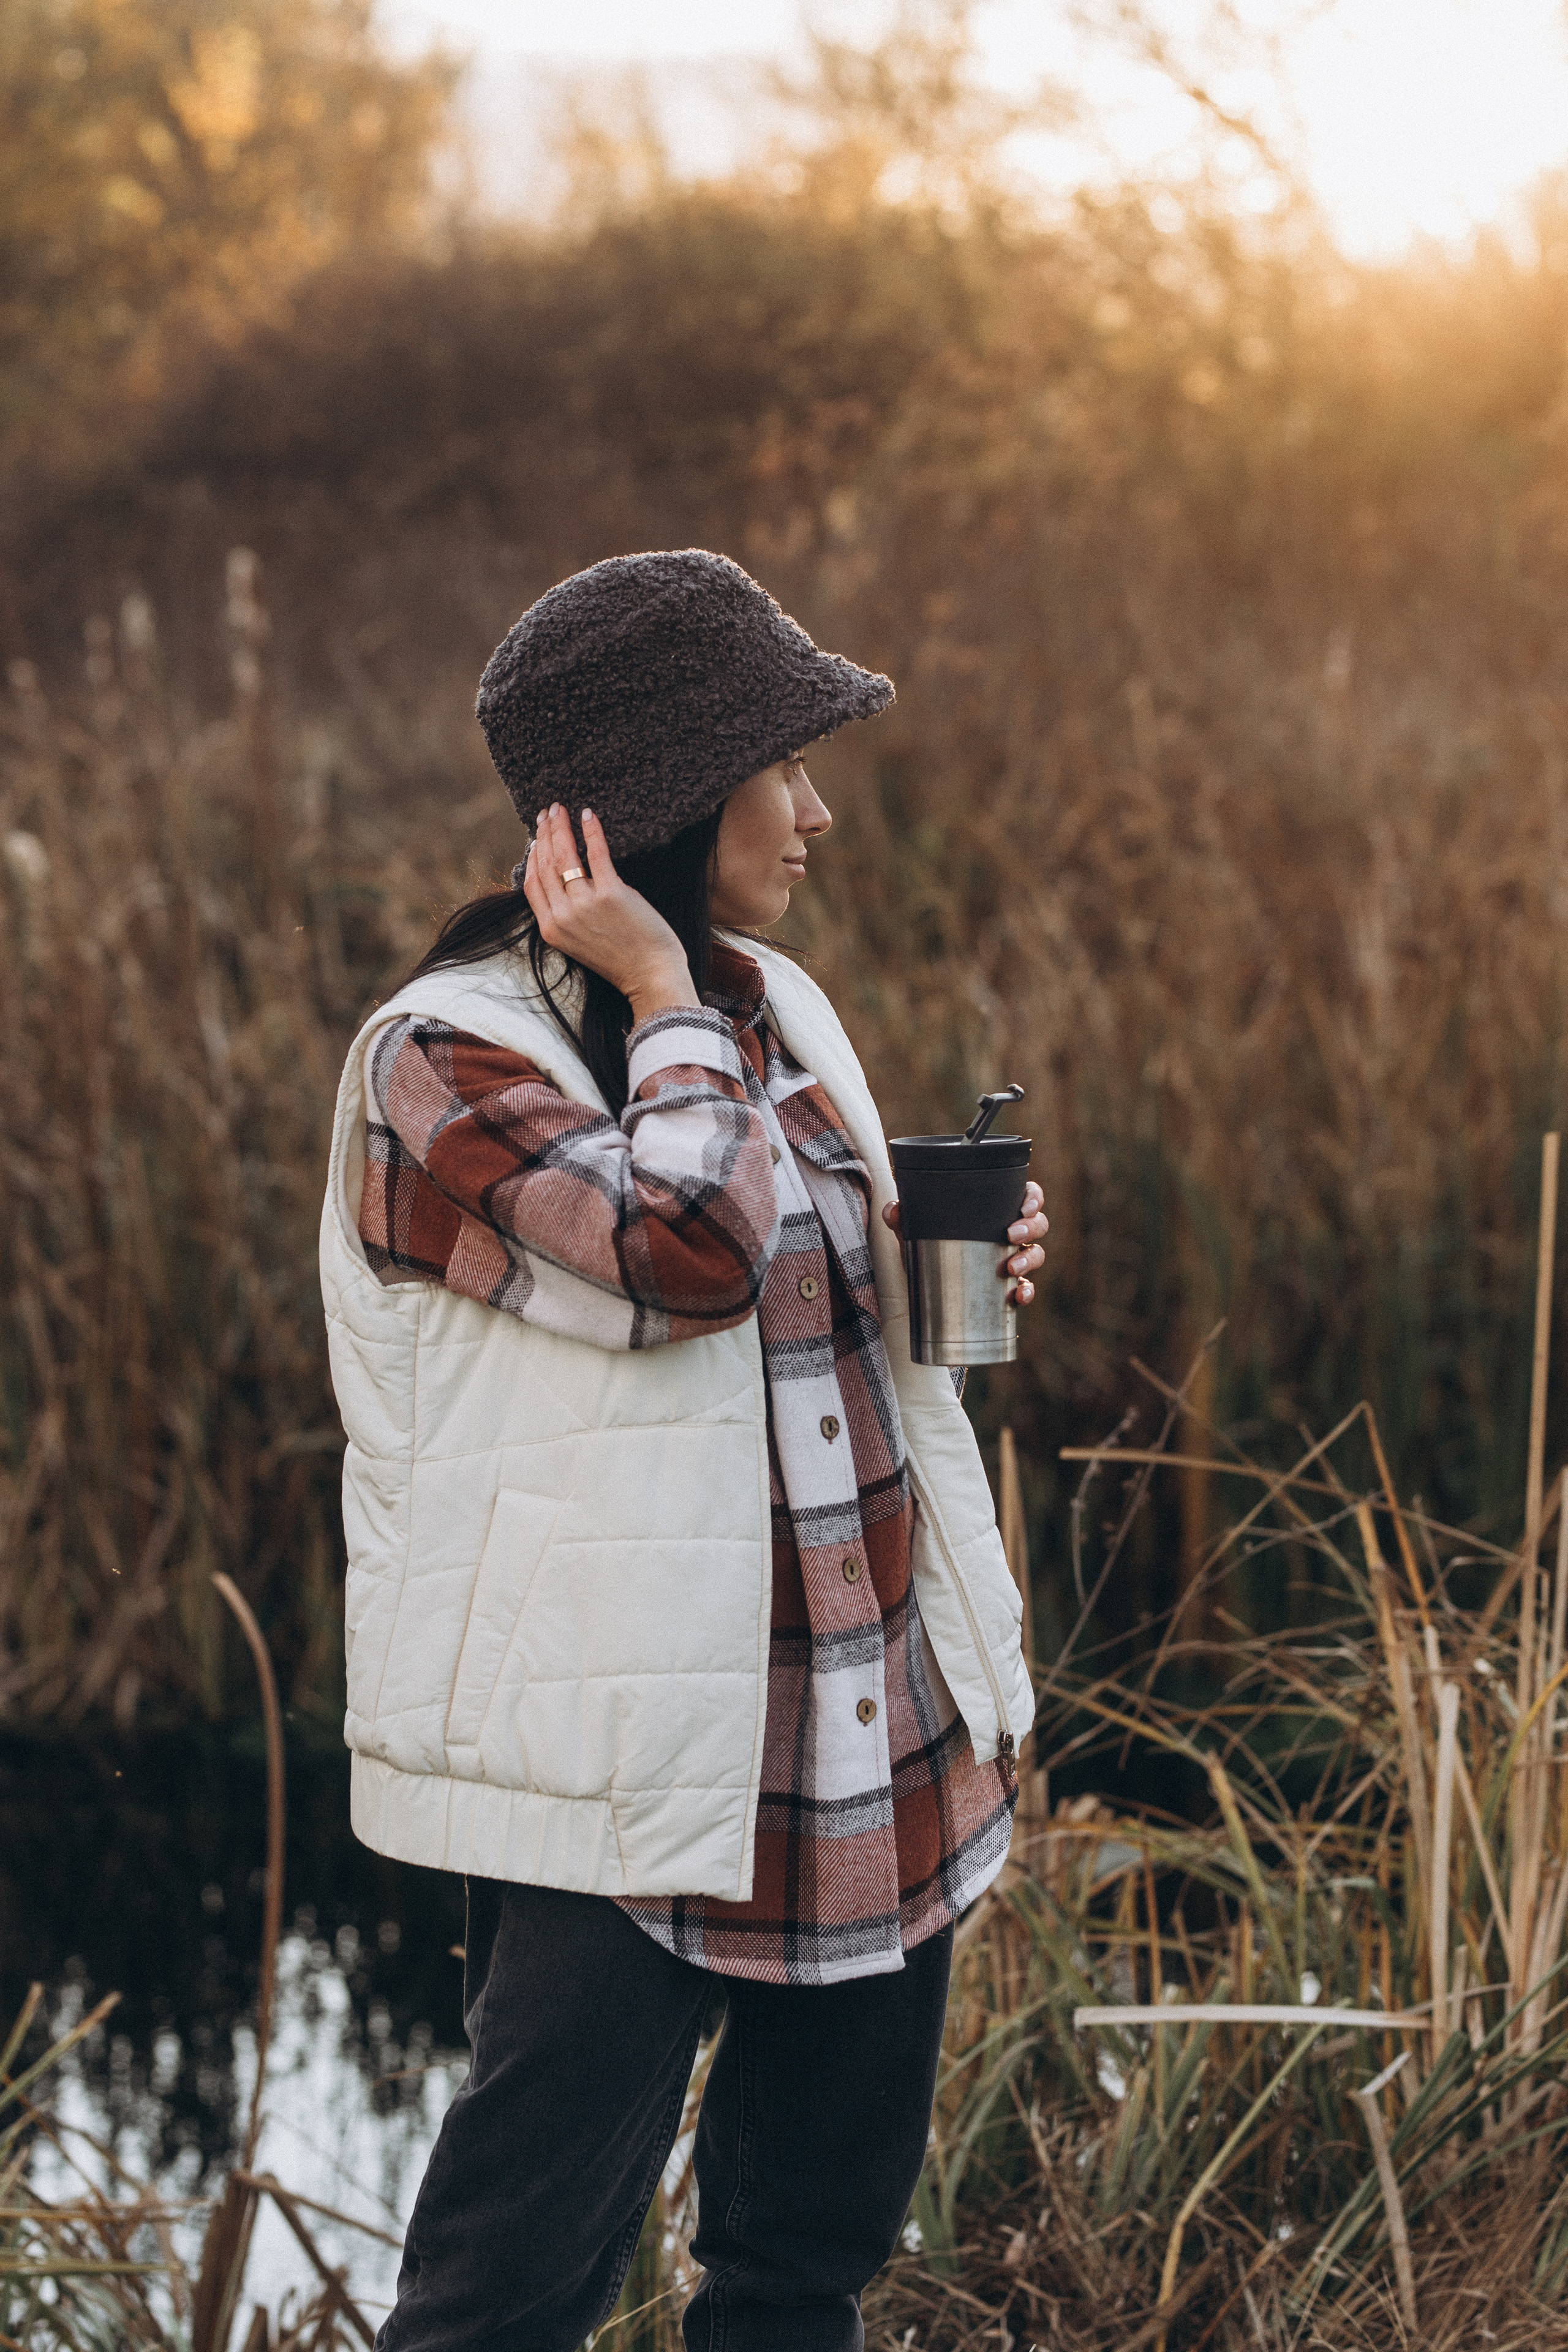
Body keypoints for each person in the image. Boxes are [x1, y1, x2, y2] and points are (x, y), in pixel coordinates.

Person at [320, 550, 1047, 2352]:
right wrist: (656, 996)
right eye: (778, 774)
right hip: (623, 1787)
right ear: (659, 802)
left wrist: (928, 1257)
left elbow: (794, 1297)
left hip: (867, 1739)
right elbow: (686, 1260)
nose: (812, 817)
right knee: (499, 2305)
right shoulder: (440, 1067)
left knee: (801, 2274)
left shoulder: (778, 1007)